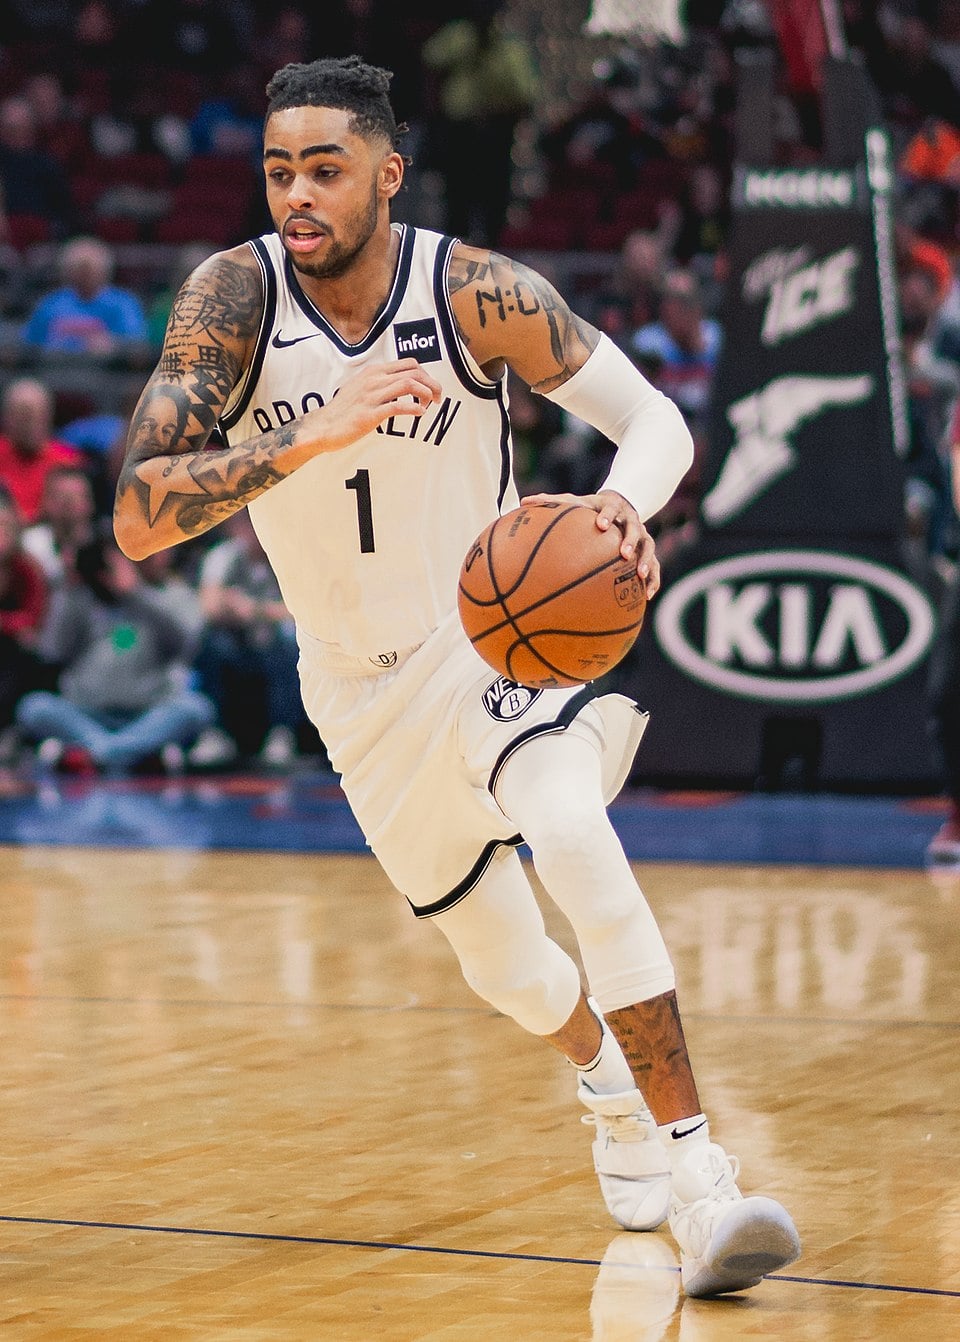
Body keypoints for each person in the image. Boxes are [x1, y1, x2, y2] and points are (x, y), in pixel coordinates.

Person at [113, 55, 800, 1299]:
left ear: (388, 172)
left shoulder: (472, 291)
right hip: (355, 695)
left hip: (488, 640)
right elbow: (139, 516)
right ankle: (604, 1081)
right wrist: (308, 429)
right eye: (279, 170)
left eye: (324, 168)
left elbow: (661, 424)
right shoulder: (234, 299)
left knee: (570, 826)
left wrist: (619, 510)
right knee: (510, 969)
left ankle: (708, 1185)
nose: (297, 195)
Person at [16, 534, 214, 775]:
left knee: (196, 708)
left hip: (148, 713)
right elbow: (52, 651)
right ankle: (136, 753)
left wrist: (135, 592)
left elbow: (183, 645)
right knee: (34, 707)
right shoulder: (80, 599)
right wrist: (68, 589)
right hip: (86, 714)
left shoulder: (170, 595)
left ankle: (100, 753)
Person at [21, 235, 150, 361]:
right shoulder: (50, 304)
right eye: (79, 268)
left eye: (89, 269)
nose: (85, 275)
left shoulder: (123, 303)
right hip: (55, 371)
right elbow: (30, 344)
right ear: (67, 270)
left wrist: (111, 344)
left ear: (104, 270)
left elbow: (135, 344)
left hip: (108, 373)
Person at [0, 377, 81, 525]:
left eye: (36, 415)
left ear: (49, 415)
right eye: (23, 415)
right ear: (6, 417)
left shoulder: (67, 459)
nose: (29, 424)